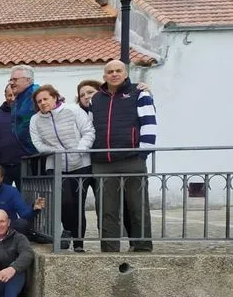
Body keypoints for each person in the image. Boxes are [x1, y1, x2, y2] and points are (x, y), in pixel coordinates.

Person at [89, 60, 157, 253]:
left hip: (132, 159)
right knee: (106, 210)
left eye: (118, 70)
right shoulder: (97, 99)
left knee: (137, 207)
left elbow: (149, 124)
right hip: (103, 162)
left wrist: (142, 154)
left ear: (125, 73)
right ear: (104, 76)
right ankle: (109, 249)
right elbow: (90, 127)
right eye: (110, 71)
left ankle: (142, 246)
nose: (114, 74)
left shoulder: (140, 93)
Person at [29, 85, 95, 252]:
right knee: (64, 202)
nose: (43, 103)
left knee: (78, 204)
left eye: (46, 99)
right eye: (39, 101)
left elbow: (88, 131)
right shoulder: (35, 120)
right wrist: (54, 151)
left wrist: (79, 150)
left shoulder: (73, 110)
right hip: (55, 165)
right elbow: (38, 143)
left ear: (55, 97)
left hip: (80, 164)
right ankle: (67, 231)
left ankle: (79, 243)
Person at [0, 84, 25, 190]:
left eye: (16, 95)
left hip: (23, 165)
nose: (12, 98)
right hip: (1, 166)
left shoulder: (27, 115)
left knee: (26, 198)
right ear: (5, 95)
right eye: (9, 95)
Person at [8, 64, 40, 159]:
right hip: (25, 153)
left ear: (28, 80)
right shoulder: (18, 99)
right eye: (11, 80)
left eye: (15, 80)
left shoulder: (36, 95)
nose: (11, 83)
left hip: (39, 153)